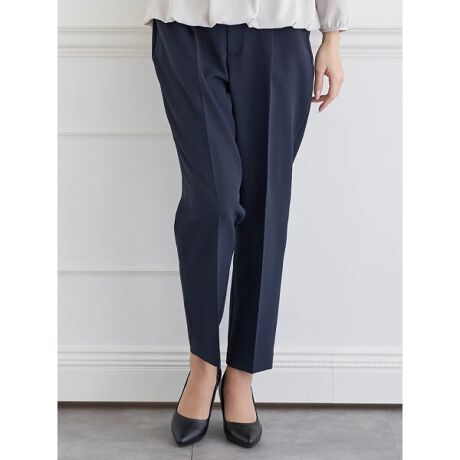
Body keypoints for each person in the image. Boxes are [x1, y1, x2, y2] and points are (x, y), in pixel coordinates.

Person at [144, 0, 349, 448]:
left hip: (279, 32)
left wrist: (332, 36)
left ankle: (242, 373)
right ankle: (203, 365)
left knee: (265, 209)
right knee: (212, 204)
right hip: (185, 27)